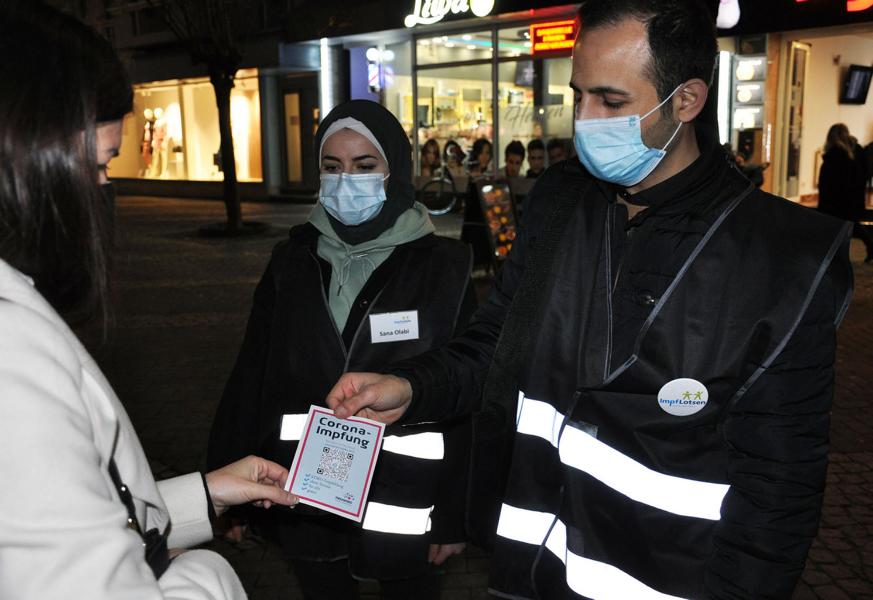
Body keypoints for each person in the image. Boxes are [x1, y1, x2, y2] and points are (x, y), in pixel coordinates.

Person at [324, 1, 854, 598]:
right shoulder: (560, 203)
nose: (584, 119)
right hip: (535, 572)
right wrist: (412, 386)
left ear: (686, 101)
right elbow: (497, 343)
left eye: (611, 101)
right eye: (578, 96)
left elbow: (779, 489)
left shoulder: (781, 258)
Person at [0, 4, 297, 599]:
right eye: (99, 163)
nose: (105, 189)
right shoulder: (10, 353)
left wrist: (203, 497)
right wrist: (210, 577)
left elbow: (69, 513)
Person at [207, 99, 475, 600]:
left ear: (394, 170)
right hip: (306, 493)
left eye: (364, 166)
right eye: (332, 167)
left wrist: (455, 516)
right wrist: (229, 489)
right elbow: (252, 375)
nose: (345, 179)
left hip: (408, 498)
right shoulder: (291, 261)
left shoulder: (446, 267)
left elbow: (466, 394)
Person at [818, 123, 873, 263]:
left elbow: (832, 181)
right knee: (851, 227)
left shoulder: (836, 154)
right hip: (850, 200)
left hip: (837, 201)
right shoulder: (852, 151)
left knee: (842, 227)